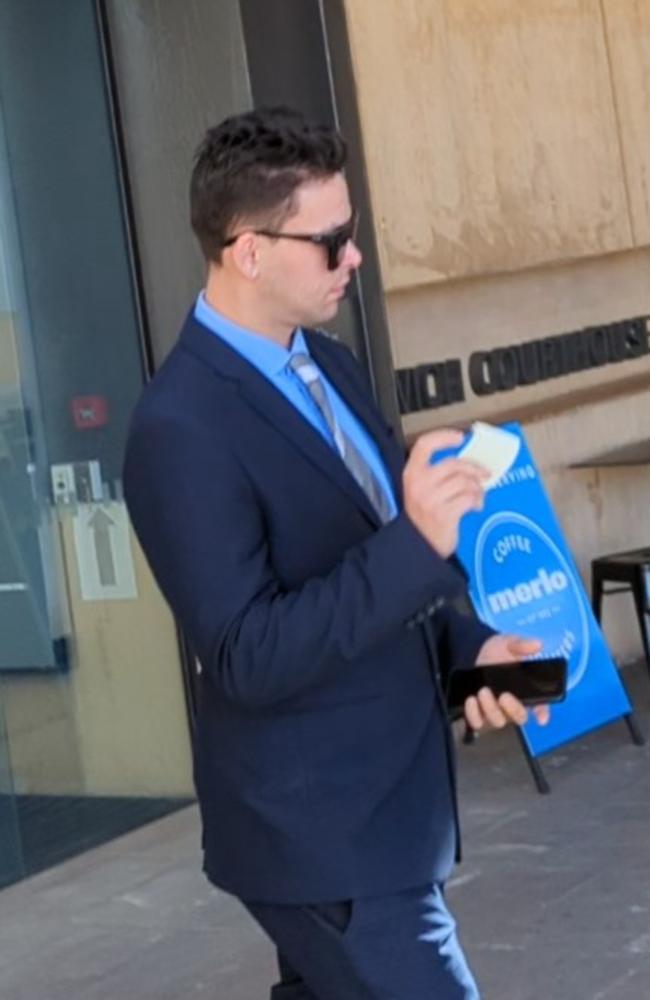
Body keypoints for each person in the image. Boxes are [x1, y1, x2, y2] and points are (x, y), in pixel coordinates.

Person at [123, 106, 549, 1000]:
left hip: (389, 812)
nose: (354, 258)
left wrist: (472, 653)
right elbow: (246, 653)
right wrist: (419, 540)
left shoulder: (329, 363)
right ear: (247, 250)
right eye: (332, 241)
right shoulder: (180, 427)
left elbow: (378, 568)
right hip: (321, 836)